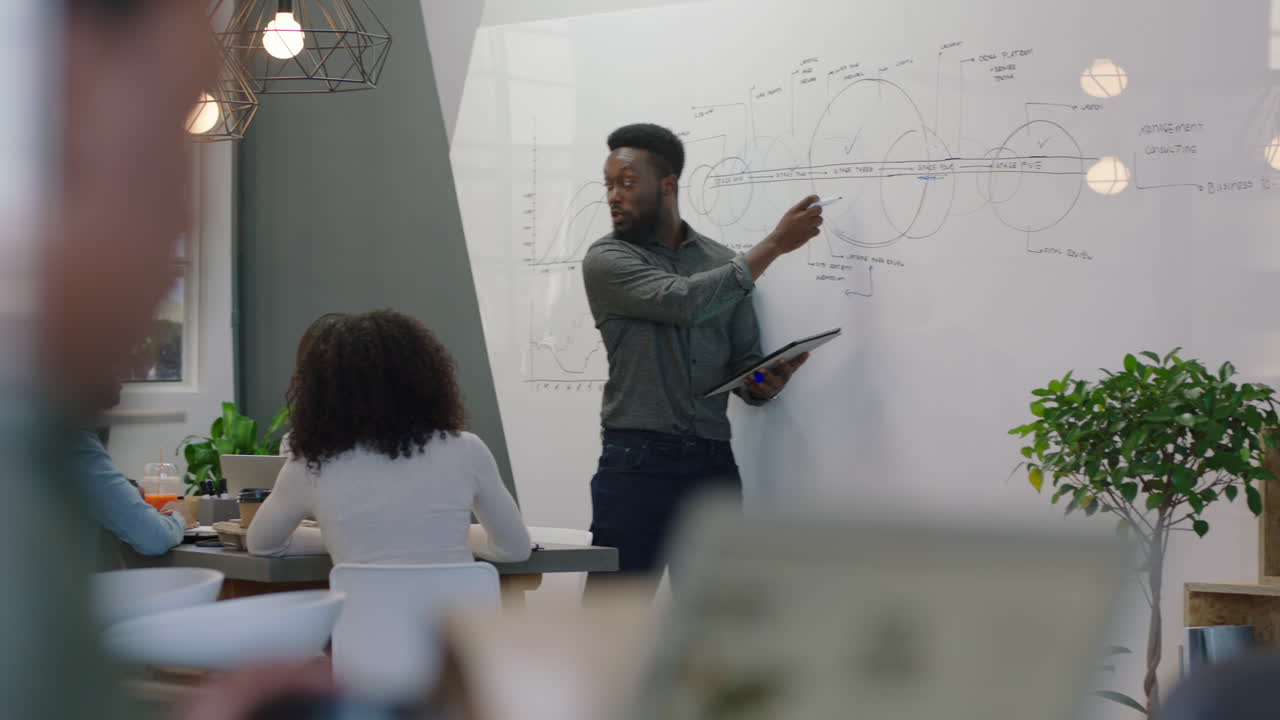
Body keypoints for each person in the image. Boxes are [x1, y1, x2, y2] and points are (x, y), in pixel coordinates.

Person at [581, 123, 822, 594]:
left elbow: (744, 370)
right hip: (636, 462)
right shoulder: (607, 260)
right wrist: (774, 244)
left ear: (667, 186)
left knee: (717, 619)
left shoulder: (721, 260)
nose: (613, 196)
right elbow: (683, 302)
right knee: (615, 614)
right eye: (608, 184)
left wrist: (764, 382)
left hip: (712, 464)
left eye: (627, 183)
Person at [247, 310, 532, 565]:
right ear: (426, 379)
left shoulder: (312, 462)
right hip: (456, 623)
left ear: (323, 391)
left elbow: (262, 545)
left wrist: (341, 540)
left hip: (365, 623)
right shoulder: (468, 450)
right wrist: (445, 540)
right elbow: (515, 549)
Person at [74, 373, 192, 559]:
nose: (122, 377)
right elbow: (154, 537)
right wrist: (179, 517)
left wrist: (126, 491)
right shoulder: (73, 442)